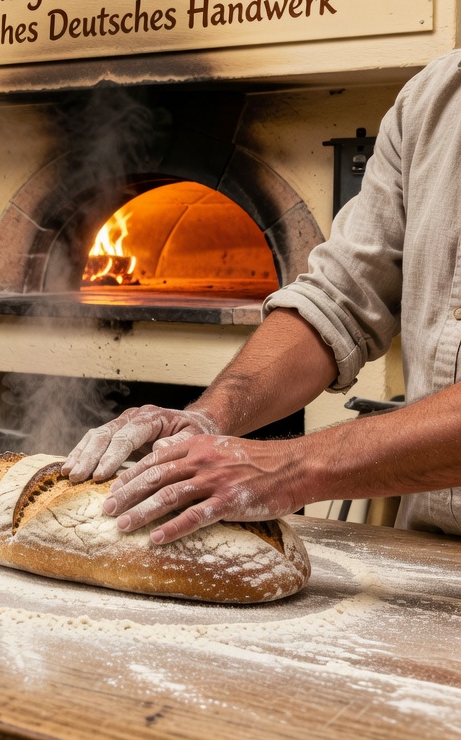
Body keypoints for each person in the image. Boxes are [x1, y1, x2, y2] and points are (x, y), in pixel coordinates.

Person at [61, 48, 461, 544]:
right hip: (432, 551)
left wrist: (290, 467)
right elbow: (338, 300)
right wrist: (208, 416)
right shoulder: (435, 99)